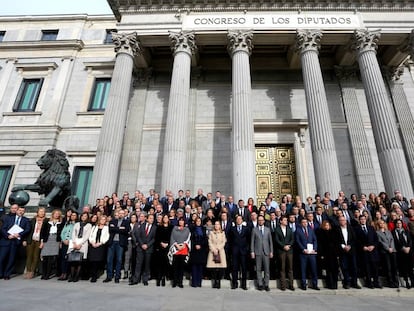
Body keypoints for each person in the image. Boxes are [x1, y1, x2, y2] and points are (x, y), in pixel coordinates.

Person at [0, 205, 30, 280]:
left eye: (23, 211)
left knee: (11, 259)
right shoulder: (9, 218)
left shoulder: (26, 220)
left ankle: (7, 274)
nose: (21, 212)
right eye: (20, 210)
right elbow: (3, 228)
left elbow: (27, 229)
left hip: (16, 242)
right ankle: (0, 273)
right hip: (6, 241)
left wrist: (19, 234)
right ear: (16, 211)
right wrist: (7, 235)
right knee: (1, 258)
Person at [130, 214, 157, 286]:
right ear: (147, 219)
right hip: (140, 247)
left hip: (149, 248)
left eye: (153, 218)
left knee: (147, 264)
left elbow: (154, 238)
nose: (152, 220)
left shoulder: (154, 227)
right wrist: (142, 244)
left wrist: (147, 245)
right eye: (150, 218)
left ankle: (145, 279)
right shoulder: (141, 226)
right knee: (138, 264)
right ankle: (136, 279)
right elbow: (138, 236)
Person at [355, 214, 381, 288]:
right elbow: (356, 240)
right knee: (367, 268)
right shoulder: (356, 229)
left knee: (375, 268)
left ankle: (376, 282)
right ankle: (369, 283)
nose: (363, 220)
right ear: (359, 220)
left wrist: (373, 246)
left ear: (366, 220)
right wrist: (363, 247)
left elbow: (376, 239)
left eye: (364, 219)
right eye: (361, 219)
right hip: (364, 251)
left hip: (373, 251)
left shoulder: (371, 228)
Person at [104, 209, 129, 283]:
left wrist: (115, 228)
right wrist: (119, 228)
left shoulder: (126, 222)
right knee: (109, 260)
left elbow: (125, 231)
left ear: (124, 214)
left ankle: (117, 277)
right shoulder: (112, 221)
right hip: (112, 242)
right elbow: (110, 229)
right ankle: (109, 276)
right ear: (117, 214)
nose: (121, 214)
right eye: (119, 213)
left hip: (120, 243)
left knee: (119, 260)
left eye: (122, 213)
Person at [295, 218, 319, 290]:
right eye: (303, 222)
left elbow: (315, 239)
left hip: (311, 253)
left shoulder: (311, 229)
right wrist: (303, 249)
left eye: (306, 222)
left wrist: (314, 249)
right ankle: (303, 285)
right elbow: (297, 241)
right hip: (303, 253)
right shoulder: (298, 231)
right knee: (303, 269)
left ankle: (315, 284)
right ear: (301, 223)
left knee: (314, 269)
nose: (305, 223)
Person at [250, 215, 273, 291]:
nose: (260, 221)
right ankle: (260, 284)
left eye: (261, 220)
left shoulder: (267, 230)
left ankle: (266, 284)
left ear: (264, 221)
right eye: (259, 220)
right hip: (257, 252)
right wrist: (252, 251)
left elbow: (270, 242)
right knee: (258, 269)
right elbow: (252, 242)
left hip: (266, 251)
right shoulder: (254, 230)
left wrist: (271, 251)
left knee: (267, 269)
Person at [67, 212, 91, 282]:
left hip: (83, 243)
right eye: (82, 216)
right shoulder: (77, 224)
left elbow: (87, 235)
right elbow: (73, 233)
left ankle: (77, 276)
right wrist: (74, 242)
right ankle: (72, 275)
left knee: (80, 260)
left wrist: (80, 244)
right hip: (75, 242)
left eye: (85, 216)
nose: (84, 217)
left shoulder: (89, 225)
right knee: (72, 259)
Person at [24, 207, 48, 279]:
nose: (42, 213)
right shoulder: (32, 220)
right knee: (29, 256)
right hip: (31, 239)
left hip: (39, 240)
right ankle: (28, 270)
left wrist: (42, 242)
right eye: (40, 211)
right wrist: (25, 240)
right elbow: (28, 230)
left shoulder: (46, 221)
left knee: (36, 256)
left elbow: (45, 232)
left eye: (43, 212)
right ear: (37, 212)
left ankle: (32, 271)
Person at [39, 209, 62, 280]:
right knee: (45, 258)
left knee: (51, 259)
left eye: (58, 214)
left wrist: (60, 242)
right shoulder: (47, 221)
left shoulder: (61, 223)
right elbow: (42, 231)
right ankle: (43, 273)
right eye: (55, 213)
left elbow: (61, 233)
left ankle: (48, 274)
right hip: (47, 239)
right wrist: (42, 242)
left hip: (55, 240)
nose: (57, 215)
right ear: (53, 214)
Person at [169, 217, 191, 288]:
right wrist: (176, 245)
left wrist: (183, 245)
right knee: (175, 267)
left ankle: (180, 282)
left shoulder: (187, 229)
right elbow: (172, 238)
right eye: (180, 221)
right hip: (176, 249)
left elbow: (188, 239)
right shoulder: (174, 229)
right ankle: (175, 282)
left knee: (181, 267)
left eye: (182, 221)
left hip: (183, 249)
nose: (181, 222)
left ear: (184, 222)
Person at [316, 220, 339, 289]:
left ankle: (335, 284)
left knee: (335, 270)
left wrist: (337, 253)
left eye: (328, 225)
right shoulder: (321, 233)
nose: (327, 227)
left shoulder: (333, 232)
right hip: (326, 254)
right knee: (328, 270)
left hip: (333, 254)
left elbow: (336, 243)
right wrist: (321, 254)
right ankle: (330, 284)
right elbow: (320, 245)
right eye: (325, 225)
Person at [376, 219, 398, 288]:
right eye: (380, 223)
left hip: (393, 251)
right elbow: (380, 242)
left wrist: (391, 247)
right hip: (385, 252)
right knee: (388, 267)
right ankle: (390, 282)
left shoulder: (388, 231)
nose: (381, 224)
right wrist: (388, 248)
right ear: (378, 225)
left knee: (394, 267)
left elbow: (392, 240)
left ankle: (396, 282)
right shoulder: (377, 232)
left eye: (383, 223)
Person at [229, 215, 249, 290]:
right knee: (235, 268)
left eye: (240, 219)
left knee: (244, 268)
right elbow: (230, 239)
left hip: (243, 251)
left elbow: (248, 239)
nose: (239, 220)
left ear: (242, 220)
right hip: (235, 251)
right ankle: (234, 284)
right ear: (236, 220)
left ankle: (244, 284)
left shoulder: (246, 229)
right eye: (237, 219)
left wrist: (247, 249)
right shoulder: (232, 229)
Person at [274, 215, 294, 291]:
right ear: (281, 221)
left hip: (289, 251)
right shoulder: (277, 229)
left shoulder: (289, 229)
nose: (286, 221)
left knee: (290, 268)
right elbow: (277, 240)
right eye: (285, 220)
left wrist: (289, 245)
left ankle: (291, 285)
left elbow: (292, 239)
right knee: (282, 268)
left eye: (286, 220)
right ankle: (283, 286)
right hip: (281, 251)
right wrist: (283, 246)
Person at [392, 219, 414, 289]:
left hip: (409, 251)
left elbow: (410, 240)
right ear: (395, 224)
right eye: (397, 223)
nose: (399, 225)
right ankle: (406, 282)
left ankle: (412, 281)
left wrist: (409, 248)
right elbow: (395, 242)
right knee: (404, 268)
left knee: (410, 267)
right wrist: (402, 248)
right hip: (400, 252)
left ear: (402, 224)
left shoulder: (406, 231)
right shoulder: (393, 232)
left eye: (400, 223)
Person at [88, 215, 109, 282]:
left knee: (97, 261)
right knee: (92, 260)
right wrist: (92, 242)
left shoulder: (106, 228)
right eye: (101, 219)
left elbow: (107, 237)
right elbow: (90, 235)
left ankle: (95, 276)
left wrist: (100, 243)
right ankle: (92, 274)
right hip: (93, 245)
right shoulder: (94, 227)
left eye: (104, 219)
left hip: (100, 246)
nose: (103, 220)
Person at [206, 220, 227, 289]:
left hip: (220, 251)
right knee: (214, 268)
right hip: (213, 251)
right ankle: (214, 281)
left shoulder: (222, 233)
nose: (216, 225)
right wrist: (214, 249)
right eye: (215, 224)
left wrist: (218, 248)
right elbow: (210, 242)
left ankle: (219, 281)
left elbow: (223, 242)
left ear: (220, 226)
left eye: (218, 224)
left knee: (220, 268)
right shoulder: (211, 233)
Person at [58, 211, 78, 281]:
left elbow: (76, 234)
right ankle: (63, 273)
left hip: (71, 243)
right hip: (64, 242)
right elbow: (62, 232)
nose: (73, 216)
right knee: (63, 258)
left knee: (70, 258)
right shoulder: (67, 223)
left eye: (74, 215)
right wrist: (63, 240)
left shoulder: (77, 224)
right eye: (72, 215)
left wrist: (70, 240)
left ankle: (69, 273)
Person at [154, 214, 172, 286]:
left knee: (165, 263)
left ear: (168, 219)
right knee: (159, 263)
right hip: (160, 247)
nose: (165, 219)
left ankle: (164, 278)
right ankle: (159, 278)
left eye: (166, 217)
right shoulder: (159, 227)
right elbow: (157, 237)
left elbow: (172, 237)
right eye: (164, 218)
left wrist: (167, 244)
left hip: (168, 247)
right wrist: (161, 243)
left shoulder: (171, 227)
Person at [190, 217, 207, 287]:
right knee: (194, 266)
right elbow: (191, 239)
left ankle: (199, 282)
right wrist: (195, 245)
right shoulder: (192, 229)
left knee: (200, 266)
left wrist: (200, 245)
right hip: (194, 249)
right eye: (197, 221)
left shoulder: (203, 229)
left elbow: (205, 239)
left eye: (199, 221)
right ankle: (194, 282)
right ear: (195, 222)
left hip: (201, 249)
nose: (198, 222)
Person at [123, 213, 137, 280]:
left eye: (134, 217)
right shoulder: (127, 224)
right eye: (132, 217)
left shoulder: (138, 225)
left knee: (133, 258)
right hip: (128, 242)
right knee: (127, 257)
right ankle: (126, 272)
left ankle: (132, 272)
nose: (133, 219)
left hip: (135, 243)